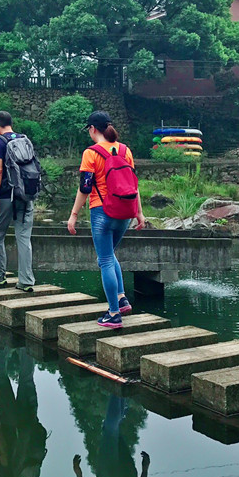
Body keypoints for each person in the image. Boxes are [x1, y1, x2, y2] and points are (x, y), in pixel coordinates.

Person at [67, 111, 147, 329]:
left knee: (104, 260)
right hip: (125, 212)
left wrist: (73, 215)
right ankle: (121, 299)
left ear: (93, 129)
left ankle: (113, 314)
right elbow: (134, 184)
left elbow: (85, 188)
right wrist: (139, 213)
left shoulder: (90, 153)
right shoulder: (125, 150)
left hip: (102, 212)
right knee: (110, 256)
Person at [0, 111, 36, 291]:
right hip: (25, 195)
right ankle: (26, 281)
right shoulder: (24, 139)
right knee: (23, 238)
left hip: (6, 195)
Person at [73, 395, 149, 477]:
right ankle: (118, 386)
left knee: (113, 431)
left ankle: (122, 389)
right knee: (111, 429)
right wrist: (79, 476)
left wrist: (145, 471)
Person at [0, 345, 48, 477]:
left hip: (30, 419)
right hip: (9, 420)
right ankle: (1, 344)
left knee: (26, 379)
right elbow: (3, 451)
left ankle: (25, 345)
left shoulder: (30, 476)